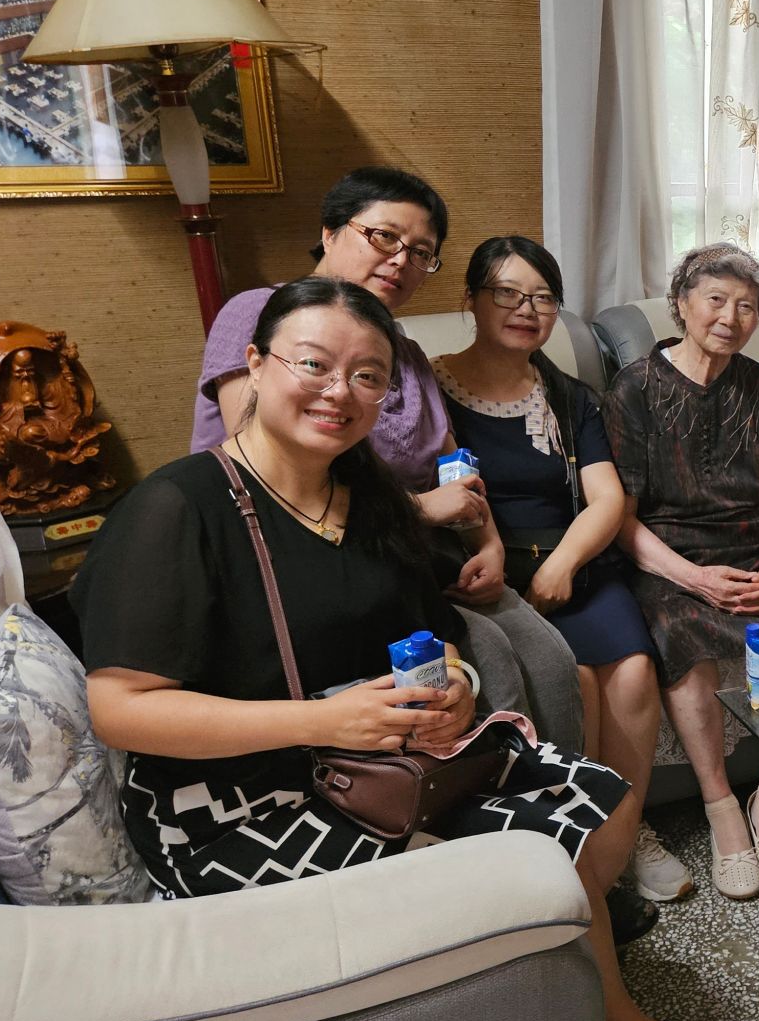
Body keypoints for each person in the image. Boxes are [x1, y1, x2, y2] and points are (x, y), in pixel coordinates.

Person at [74, 278, 759, 1021]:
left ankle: (577, 1003)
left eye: (367, 375)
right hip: (233, 798)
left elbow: (434, 633)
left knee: (606, 804)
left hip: (380, 757)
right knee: (531, 865)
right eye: (314, 364)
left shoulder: (368, 499)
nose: (340, 391)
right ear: (256, 365)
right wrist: (319, 722)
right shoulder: (179, 506)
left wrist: (458, 688)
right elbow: (119, 710)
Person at [187, 167, 583, 751]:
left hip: (418, 556)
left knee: (551, 660)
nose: (402, 260)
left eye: (421, 252)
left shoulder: (408, 353)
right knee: (491, 660)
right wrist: (422, 509)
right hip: (317, 561)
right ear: (329, 232)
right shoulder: (269, 315)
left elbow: (454, 464)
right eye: (384, 237)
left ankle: (562, 794)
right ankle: (498, 792)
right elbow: (277, 472)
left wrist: (489, 545)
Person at [431, 237, 686, 904]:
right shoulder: (433, 391)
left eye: (543, 298)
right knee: (575, 679)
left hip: (573, 561)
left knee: (633, 671)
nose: (527, 309)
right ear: (471, 299)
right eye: (507, 293)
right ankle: (577, 837)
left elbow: (606, 499)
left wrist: (566, 562)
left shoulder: (569, 397)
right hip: (485, 574)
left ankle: (628, 828)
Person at [608, 243, 759, 902]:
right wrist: (693, 578)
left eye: (746, 306)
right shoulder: (634, 387)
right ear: (682, 304)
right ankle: (720, 805)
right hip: (669, 560)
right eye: (715, 300)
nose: (730, 317)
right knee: (679, 631)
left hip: (751, 552)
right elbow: (620, 519)